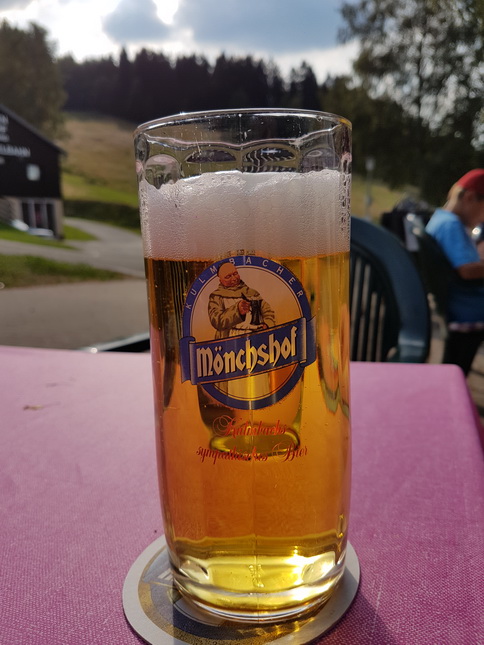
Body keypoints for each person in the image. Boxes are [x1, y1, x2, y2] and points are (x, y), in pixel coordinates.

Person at [425, 169, 484, 373]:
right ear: (470, 198)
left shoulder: (443, 220)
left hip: (461, 305)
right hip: (469, 311)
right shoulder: (451, 226)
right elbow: (467, 270)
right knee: (456, 370)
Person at [208, 262, 276, 339]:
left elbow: (268, 312)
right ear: (220, 281)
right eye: (228, 276)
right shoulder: (217, 296)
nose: (233, 278)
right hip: (230, 339)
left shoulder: (251, 293)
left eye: (235, 274)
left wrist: (267, 324)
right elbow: (216, 321)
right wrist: (237, 310)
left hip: (256, 337)